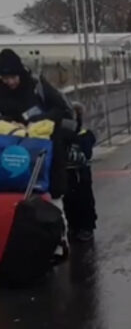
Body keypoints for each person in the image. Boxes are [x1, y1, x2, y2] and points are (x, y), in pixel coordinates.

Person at [0, 49, 75, 199]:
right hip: (12, 150)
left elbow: (61, 109)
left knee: (50, 194)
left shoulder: (36, 85)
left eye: (13, 77)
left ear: (20, 73)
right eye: (5, 78)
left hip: (44, 148)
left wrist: (40, 119)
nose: (10, 82)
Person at [64, 102, 97, 242]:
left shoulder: (84, 135)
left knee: (84, 200)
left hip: (81, 174)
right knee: (69, 201)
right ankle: (73, 226)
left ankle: (87, 227)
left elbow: (86, 154)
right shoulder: (62, 135)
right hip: (67, 174)